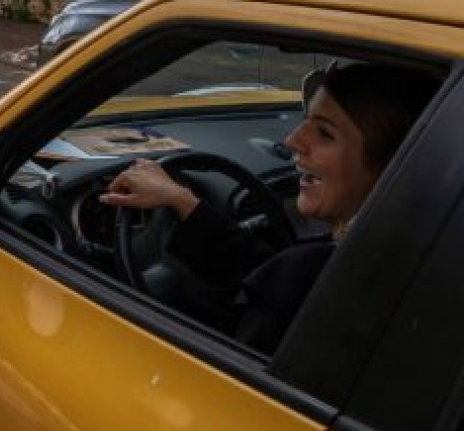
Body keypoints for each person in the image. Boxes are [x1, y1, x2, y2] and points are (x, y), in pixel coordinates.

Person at [100, 61, 439, 354]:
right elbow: (265, 273)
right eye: (306, 120)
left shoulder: (306, 278)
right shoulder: (417, 256)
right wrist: (181, 201)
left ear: (394, 165)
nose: (292, 140)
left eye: (324, 133)